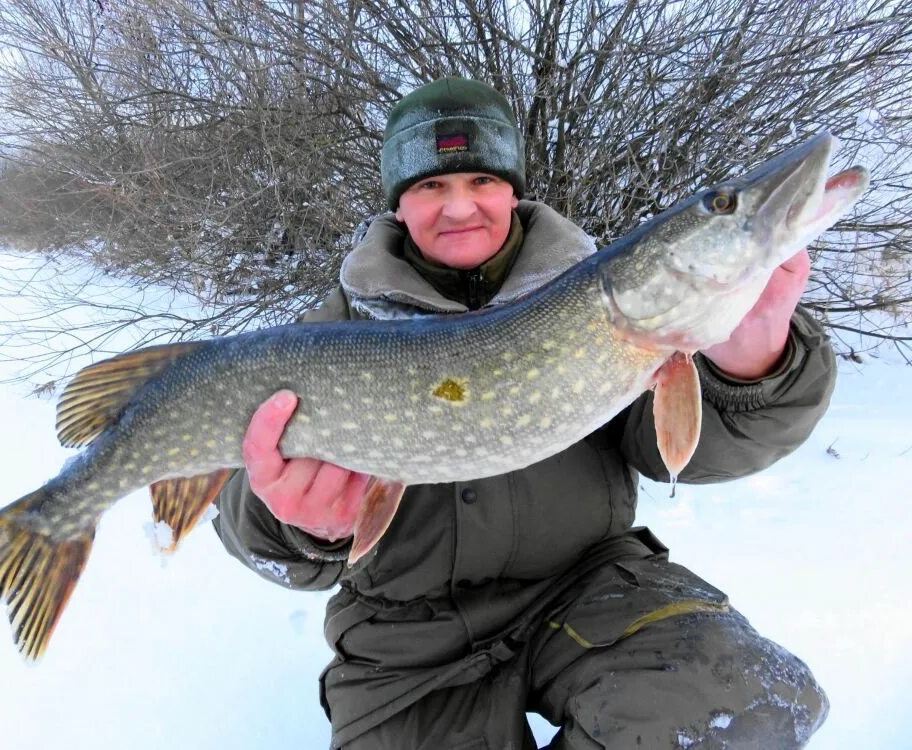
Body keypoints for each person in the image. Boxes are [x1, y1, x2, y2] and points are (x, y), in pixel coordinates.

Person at [213, 78, 833, 749]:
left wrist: (753, 363)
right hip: (406, 645)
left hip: (592, 590)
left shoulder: (605, 302)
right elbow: (246, 522)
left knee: (742, 703)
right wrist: (301, 527)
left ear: (513, 188)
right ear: (398, 203)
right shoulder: (328, 338)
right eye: (430, 187)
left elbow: (683, 452)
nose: (460, 208)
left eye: (482, 179)